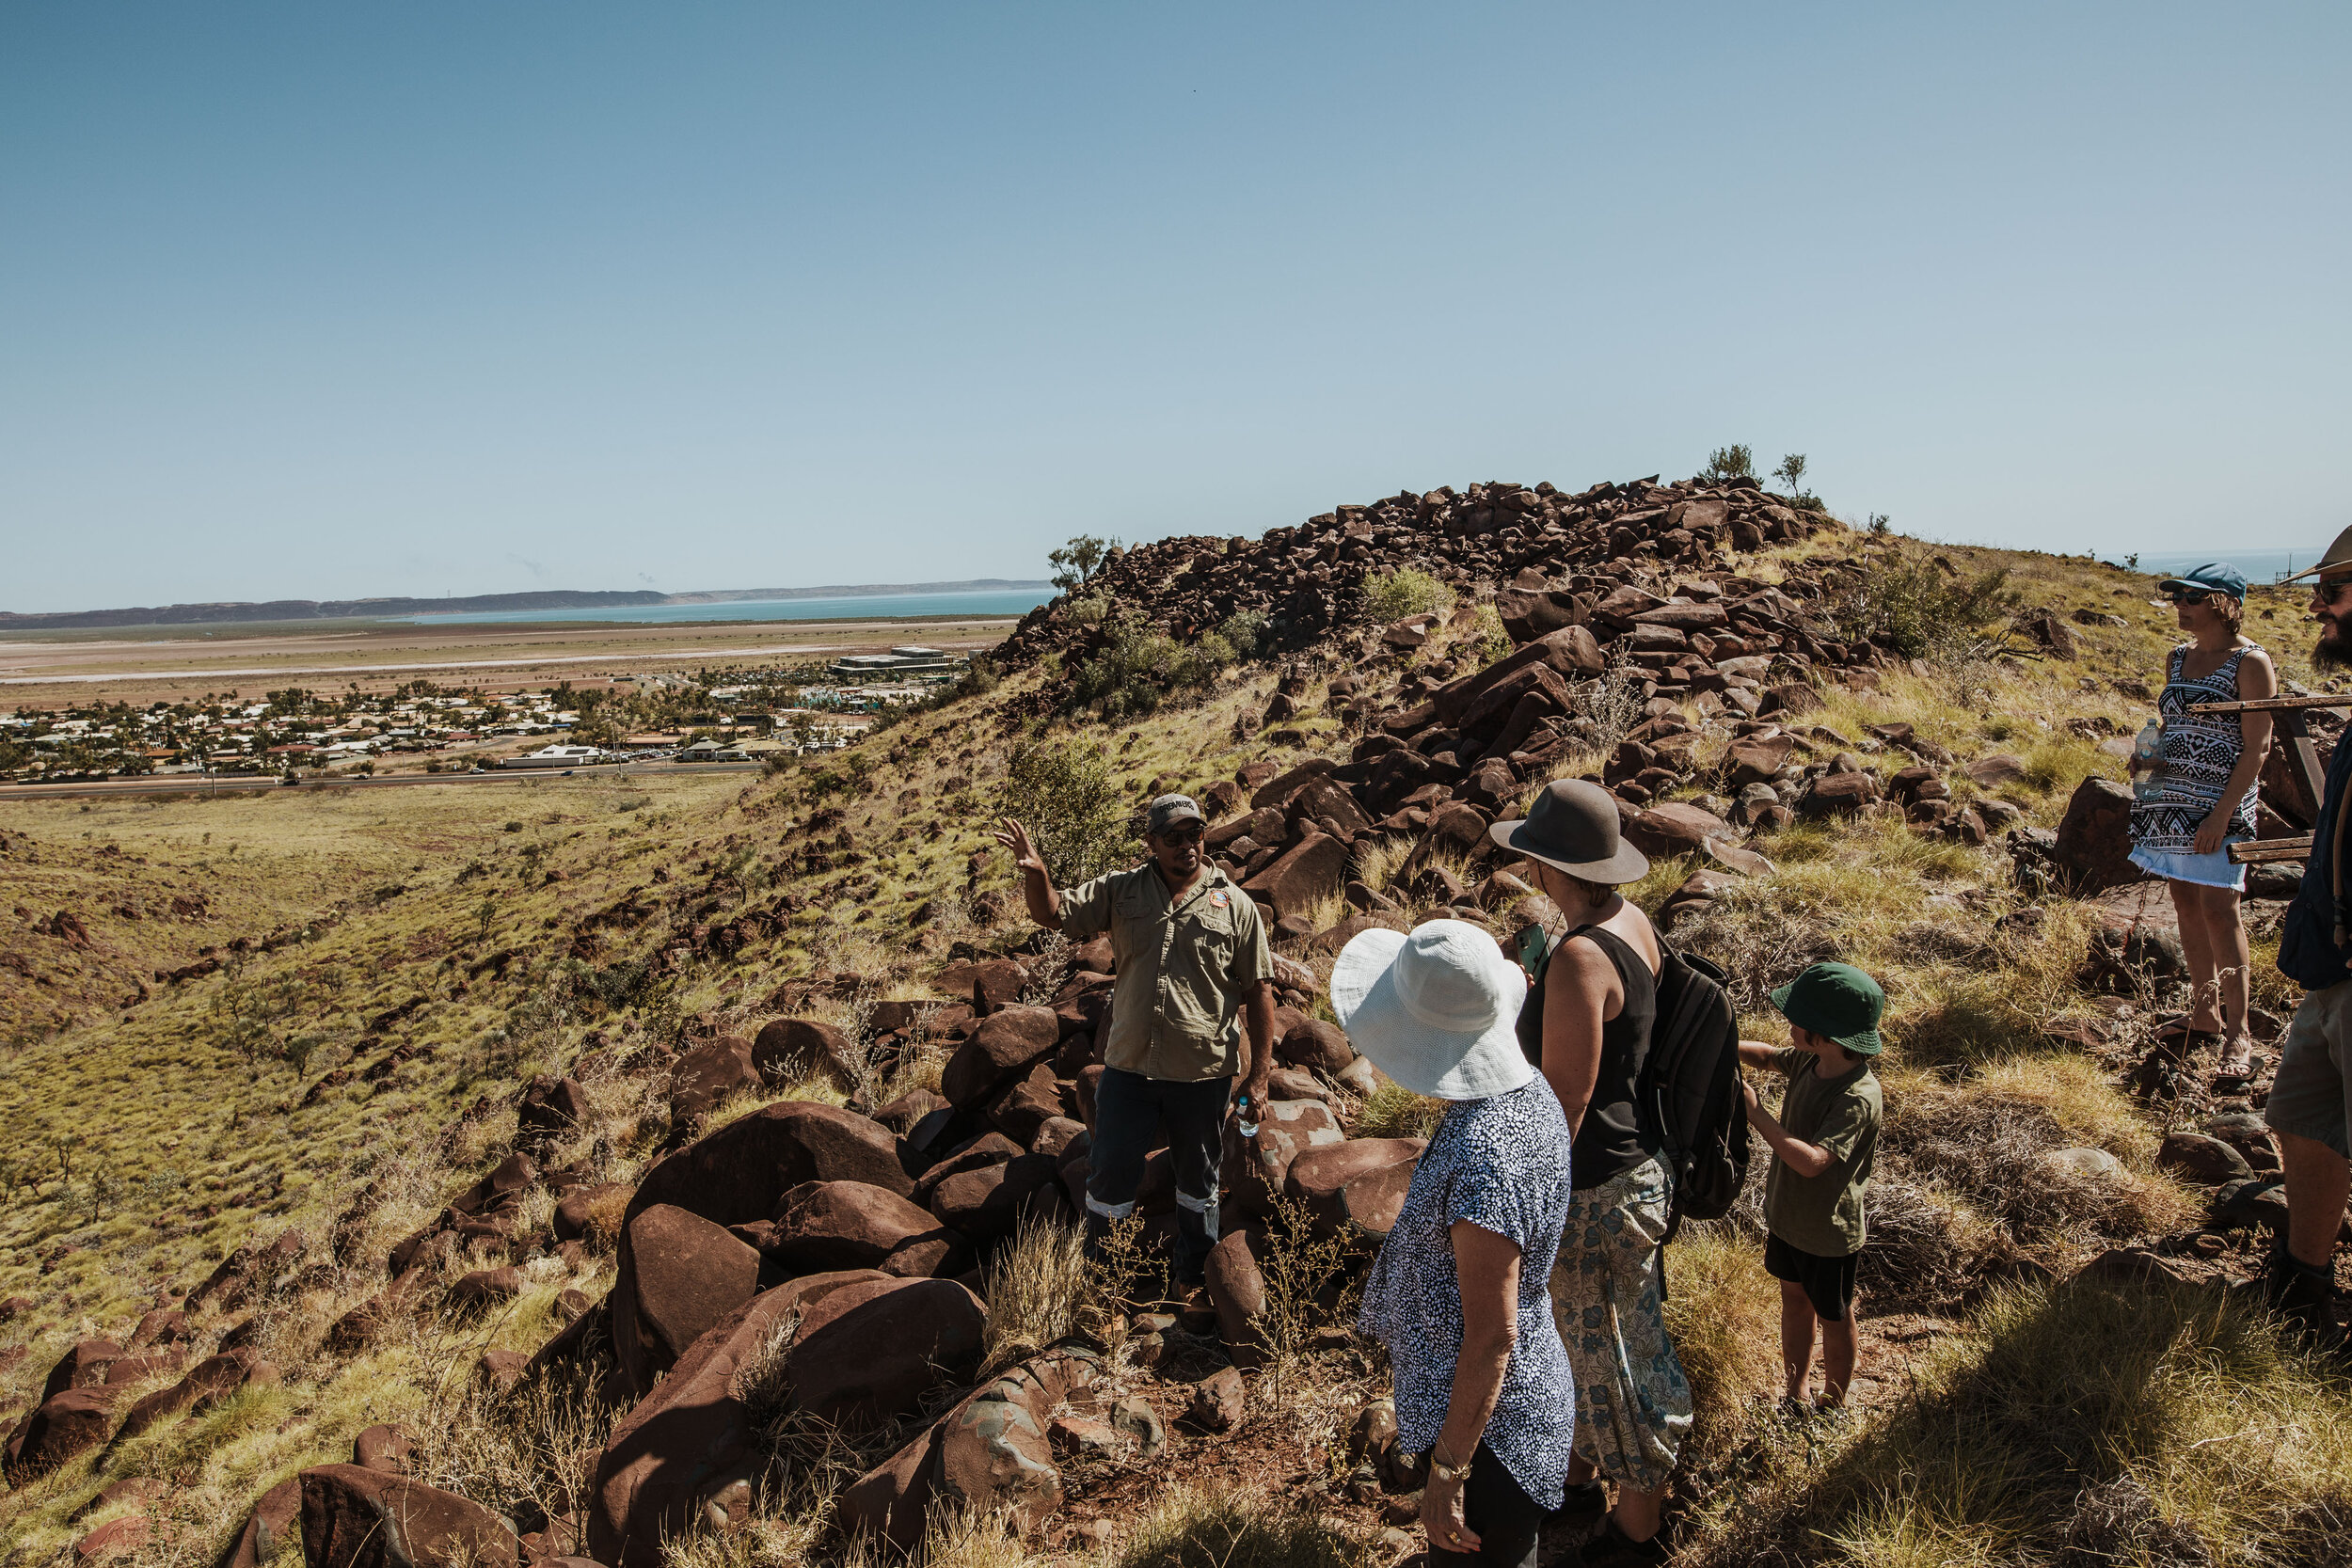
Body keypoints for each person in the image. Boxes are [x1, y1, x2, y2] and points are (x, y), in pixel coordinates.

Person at [1489, 779, 1689, 1568]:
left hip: (1594, 1187)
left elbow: (1566, 1103)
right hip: (1637, 1165)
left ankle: (1637, 1531)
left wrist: (1528, 1200)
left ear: (1547, 865)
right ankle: (1578, 1477)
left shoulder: (1578, 956)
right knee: (1591, 1341)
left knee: (1615, 1351)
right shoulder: (1630, 922)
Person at [1344, 920, 1576, 1568]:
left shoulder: (1486, 1156)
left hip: (1492, 1429)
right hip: (1509, 1398)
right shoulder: (1525, 1091)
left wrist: (1448, 1472)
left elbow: (1492, 1336)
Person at [993, 794, 1274, 1299]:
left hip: (1202, 1073)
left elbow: (1258, 990)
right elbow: (1052, 914)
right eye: (1173, 836)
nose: (1187, 845)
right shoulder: (1122, 892)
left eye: (1195, 833)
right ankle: (1107, 1289)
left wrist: (1259, 1078)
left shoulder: (1236, 906)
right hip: (1129, 1070)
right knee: (1110, 1180)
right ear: (1151, 842)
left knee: (1198, 1181)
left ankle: (1190, 1280)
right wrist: (1036, 874)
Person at [2126, 562, 2275, 1085]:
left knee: (2220, 907)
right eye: (2176, 595)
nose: (2179, 603)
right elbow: (2175, 722)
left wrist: (2222, 814)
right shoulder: (2177, 656)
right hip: (2169, 795)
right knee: (2185, 902)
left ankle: (2240, 1034)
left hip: (2219, 805)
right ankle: (2204, 1013)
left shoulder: (2250, 662)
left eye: (2192, 596)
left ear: (2223, 602)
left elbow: (2257, 746)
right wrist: (2148, 761)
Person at [2264, 530, 2352, 1355]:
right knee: (2303, 1117)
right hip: (2333, 966)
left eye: (2335, 591)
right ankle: (2303, 1272)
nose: (2319, 607)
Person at [1735, 963, 1886, 1410]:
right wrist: (1722, 1041)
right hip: (1788, 1218)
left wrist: (1756, 1114)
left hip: (1828, 1234)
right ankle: (1795, 1388)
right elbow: (1766, 1056)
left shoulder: (1857, 1097)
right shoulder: (1811, 1058)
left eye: (1798, 1021)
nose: (1790, 1026)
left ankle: (1834, 1400)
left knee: (1834, 1316)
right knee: (1794, 1300)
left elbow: (1814, 1163)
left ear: (1826, 1035)